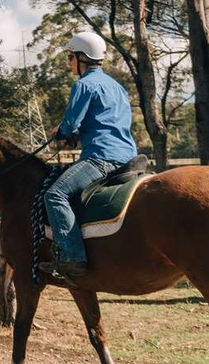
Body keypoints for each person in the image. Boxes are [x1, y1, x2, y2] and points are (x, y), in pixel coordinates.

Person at [42, 31, 138, 279]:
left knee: (55, 194)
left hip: (101, 157)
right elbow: (103, 121)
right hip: (128, 154)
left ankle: (71, 257)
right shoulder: (116, 86)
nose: (69, 63)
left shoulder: (84, 85)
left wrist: (60, 132)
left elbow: (70, 123)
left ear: (82, 58)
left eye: (70, 57)